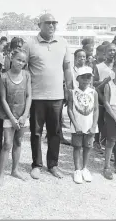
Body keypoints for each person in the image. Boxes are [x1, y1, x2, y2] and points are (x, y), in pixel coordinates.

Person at [23, 13, 72, 180]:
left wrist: (69, 88)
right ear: (39, 25)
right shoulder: (30, 44)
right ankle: (36, 165)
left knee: (55, 133)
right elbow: (23, 69)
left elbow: (66, 68)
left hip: (57, 96)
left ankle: (53, 164)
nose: (52, 25)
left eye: (54, 22)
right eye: (48, 23)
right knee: (36, 133)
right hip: (37, 97)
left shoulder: (63, 43)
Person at [0, 49, 32, 187]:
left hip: (23, 116)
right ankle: (1, 175)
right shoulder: (4, 77)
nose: (20, 63)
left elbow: (29, 96)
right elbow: (3, 99)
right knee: (7, 144)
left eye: (23, 61)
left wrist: (24, 116)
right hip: (8, 116)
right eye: (18, 60)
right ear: (12, 58)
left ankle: (15, 170)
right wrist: (11, 118)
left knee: (18, 142)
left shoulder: (27, 75)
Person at [67, 66, 98, 184]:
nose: (86, 80)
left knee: (88, 147)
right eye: (83, 77)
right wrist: (75, 125)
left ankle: (85, 168)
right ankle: (77, 170)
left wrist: (94, 125)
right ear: (78, 78)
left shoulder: (93, 92)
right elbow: (70, 109)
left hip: (90, 125)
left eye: (88, 77)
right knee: (77, 147)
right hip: (78, 125)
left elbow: (95, 110)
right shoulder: (73, 92)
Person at [93, 44, 116, 152]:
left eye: (114, 50)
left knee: (110, 120)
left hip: (114, 96)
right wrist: (104, 81)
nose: (112, 52)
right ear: (105, 53)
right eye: (110, 50)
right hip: (101, 94)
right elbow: (94, 82)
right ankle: (96, 141)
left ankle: (107, 141)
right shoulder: (99, 66)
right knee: (100, 119)